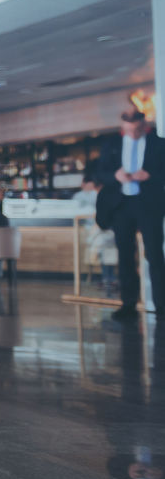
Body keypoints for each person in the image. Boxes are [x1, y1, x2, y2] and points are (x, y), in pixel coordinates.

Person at [96, 107, 165, 322]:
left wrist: (150, 176)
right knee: (125, 256)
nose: (132, 134)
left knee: (154, 255)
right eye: (128, 130)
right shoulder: (112, 145)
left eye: (136, 130)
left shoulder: (159, 144)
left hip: (148, 205)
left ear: (144, 126)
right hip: (122, 206)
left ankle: (161, 306)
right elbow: (99, 173)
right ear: (122, 128)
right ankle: (128, 305)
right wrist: (115, 176)